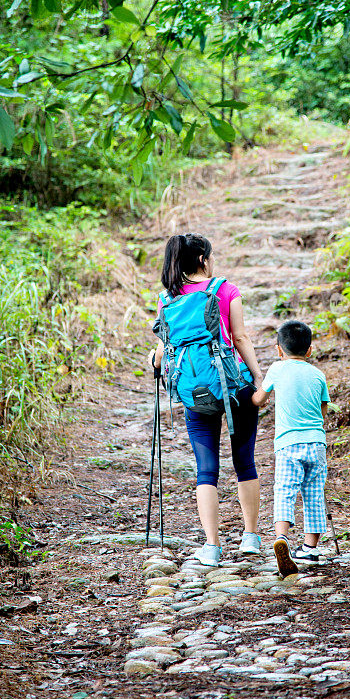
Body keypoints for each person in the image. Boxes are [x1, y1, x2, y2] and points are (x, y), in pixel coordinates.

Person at [151, 233, 264, 567]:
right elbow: (240, 337)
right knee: (244, 460)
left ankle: (212, 547)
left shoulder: (167, 299)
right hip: (234, 383)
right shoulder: (225, 289)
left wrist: (154, 361)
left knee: (206, 470)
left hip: (194, 391)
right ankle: (251, 537)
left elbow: (163, 349)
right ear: (202, 258)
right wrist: (257, 376)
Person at [252, 320, 330, 578]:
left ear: (278, 349)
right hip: (316, 443)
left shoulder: (277, 368)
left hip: (287, 444)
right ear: (309, 351)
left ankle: (282, 537)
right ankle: (310, 548)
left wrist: (250, 395)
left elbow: (258, 399)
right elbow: (322, 411)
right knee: (314, 495)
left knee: (285, 490)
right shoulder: (318, 375)